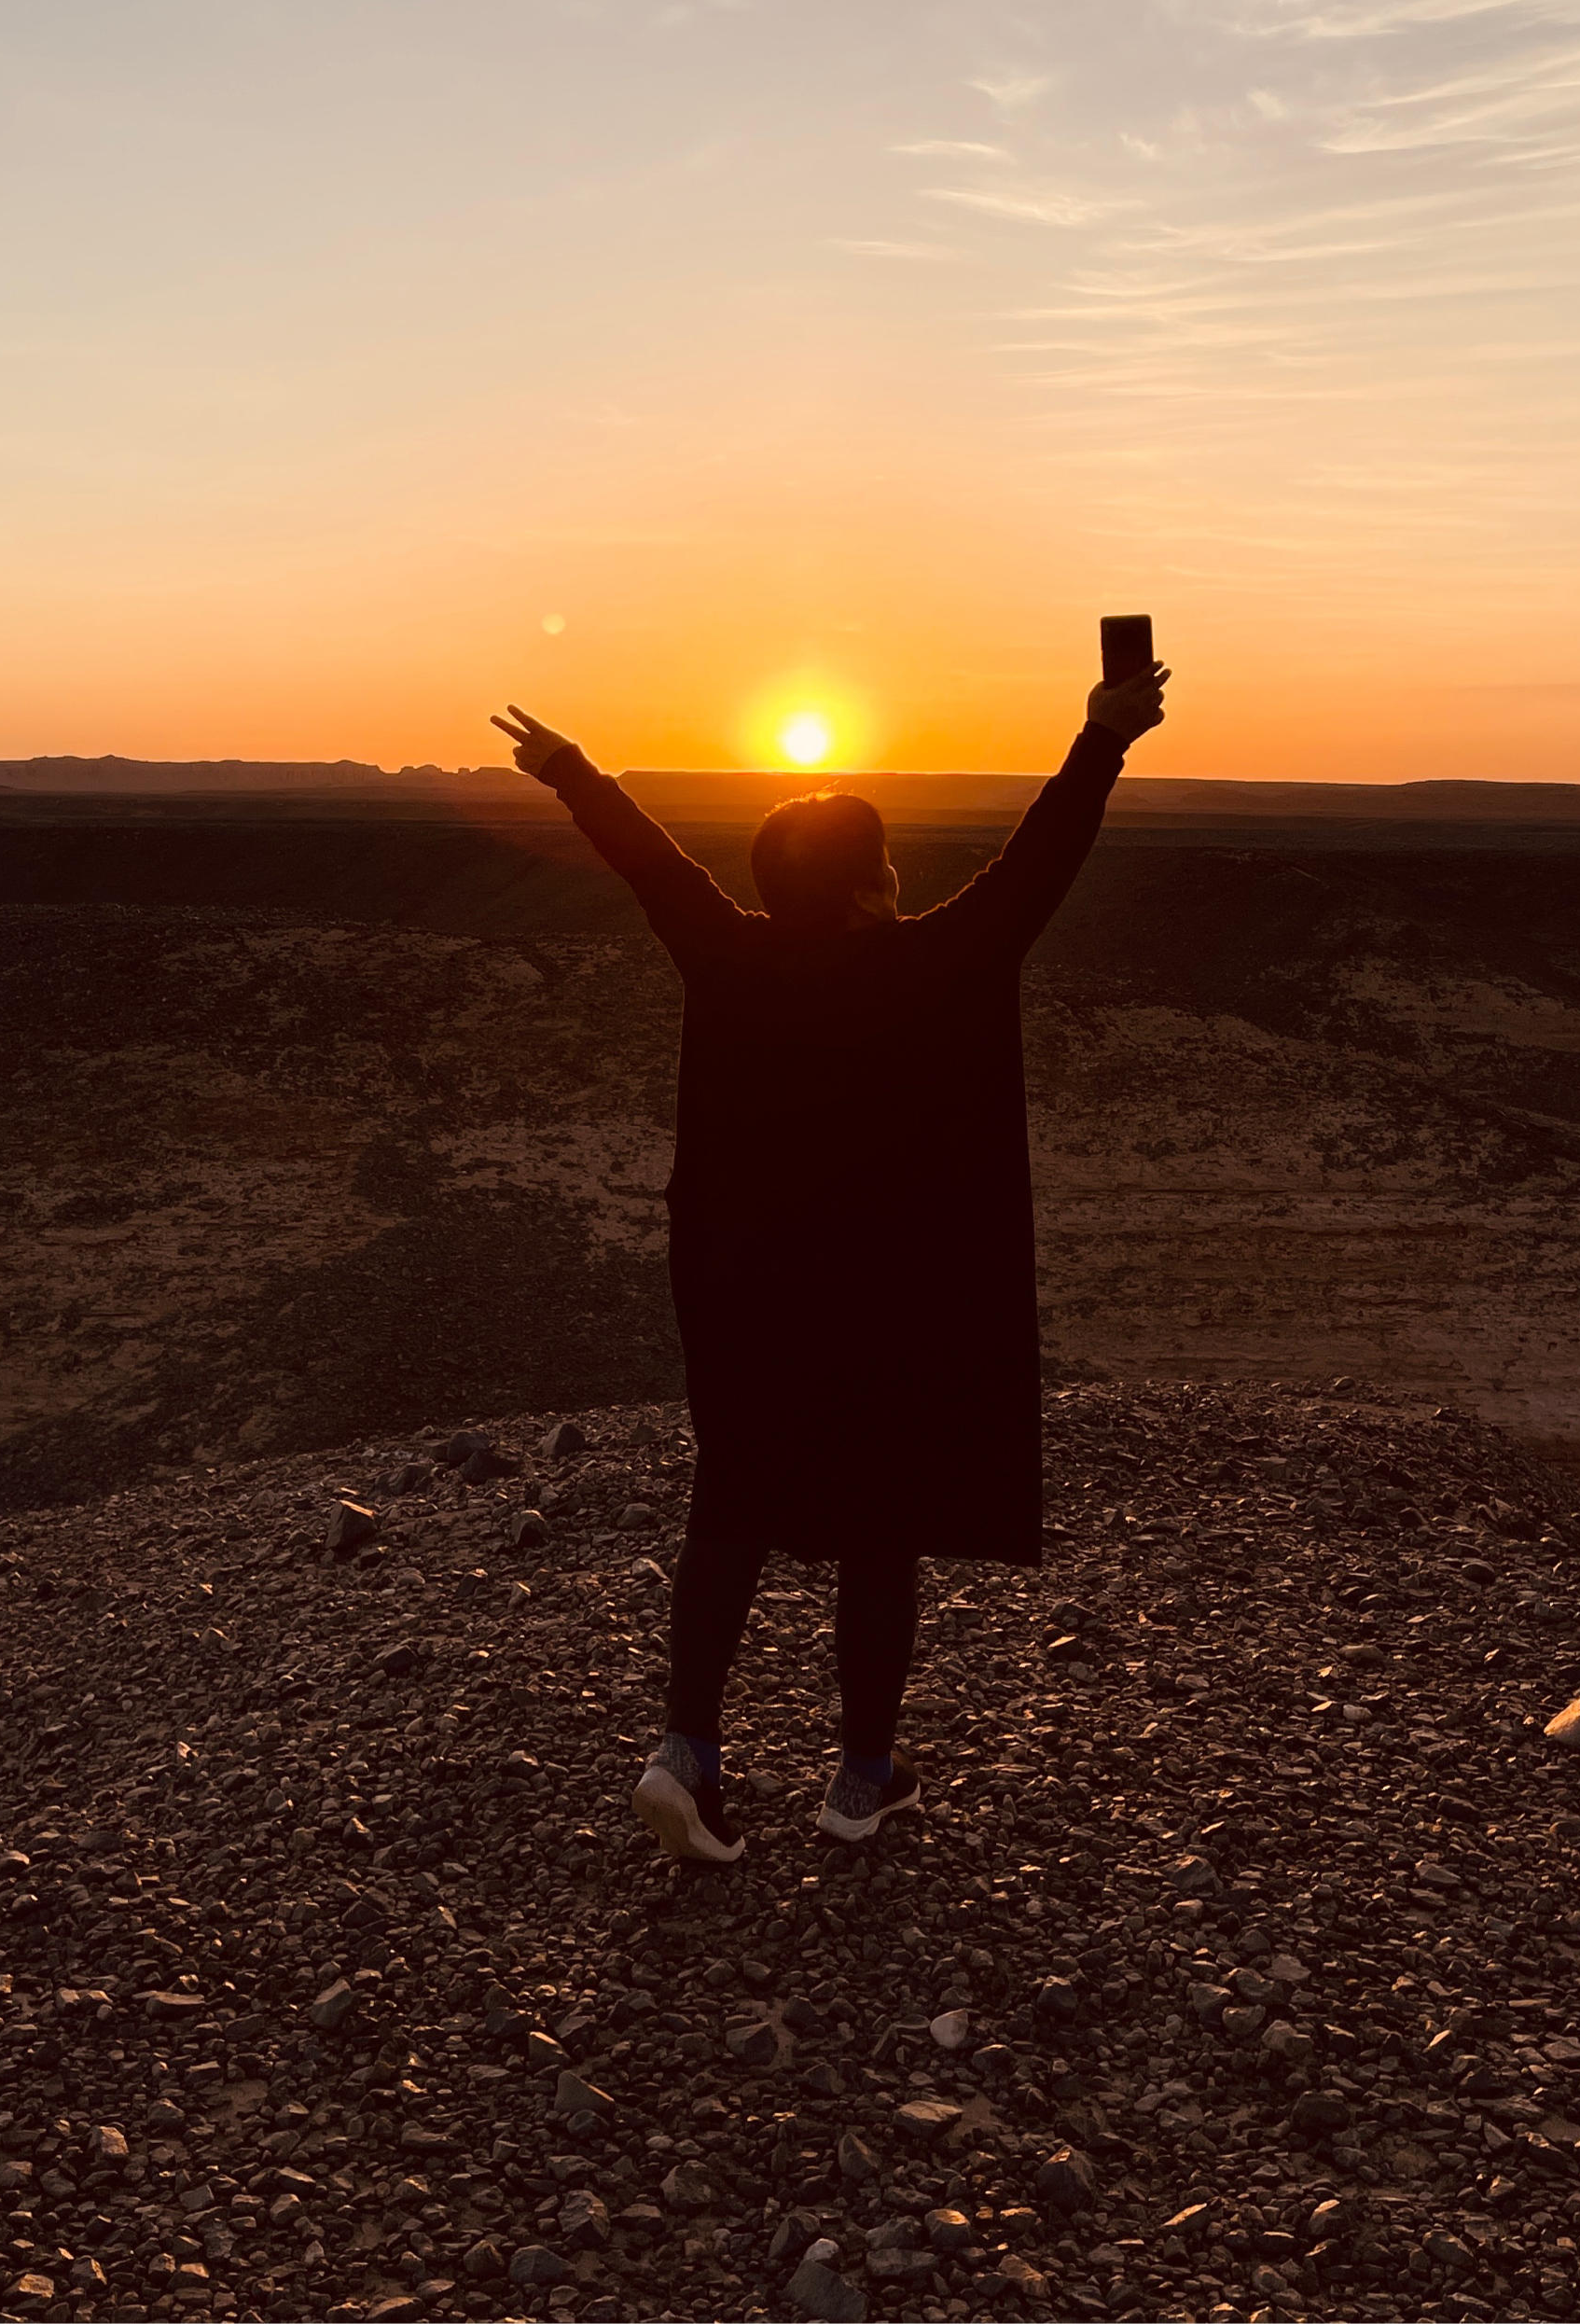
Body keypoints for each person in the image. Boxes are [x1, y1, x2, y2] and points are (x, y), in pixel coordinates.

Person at [490, 654, 1170, 1867]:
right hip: (895, 1313)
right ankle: (861, 1780)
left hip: (750, 1303)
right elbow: (1038, 863)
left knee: (732, 1505)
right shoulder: (938, 961)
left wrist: (569, 770)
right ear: (872, 881)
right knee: (878, 1530)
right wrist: (1103, 734)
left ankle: (686, 1752)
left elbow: (655, 868)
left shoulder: (729, 955)